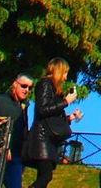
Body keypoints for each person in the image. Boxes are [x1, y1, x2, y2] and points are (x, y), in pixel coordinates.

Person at [24, 58, 83, 188]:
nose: (66, 77)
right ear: (58, 71)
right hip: (42, 137)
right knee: (46, 175)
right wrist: (66, 102)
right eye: (65, 73)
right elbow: (42, 109)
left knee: (44, 176)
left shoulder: (54, 88)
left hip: (49, 138)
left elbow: (52, 117)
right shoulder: (45, 84)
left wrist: (70, 118)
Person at [0, 74, 33, 188]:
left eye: (30, 88)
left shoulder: (24, 105)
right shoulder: (0, 100)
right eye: (24, 86)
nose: (27, 90)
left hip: (16, 156)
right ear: (15, 84)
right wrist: (1, 145)